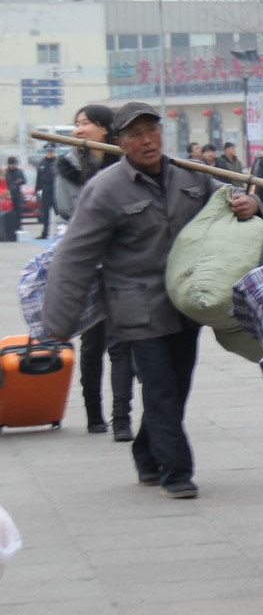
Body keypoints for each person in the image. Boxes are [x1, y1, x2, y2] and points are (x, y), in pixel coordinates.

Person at [43, 102, 262, 499]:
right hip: (135, 309)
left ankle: (146, 453)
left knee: (175, 388)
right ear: (121, 142)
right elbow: (74, 256)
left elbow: (228, 203)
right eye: (137, 135)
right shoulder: (106, 189)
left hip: (184, 305)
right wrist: (57, 325)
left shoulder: (190, 177)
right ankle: (176, 471)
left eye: (152, 131)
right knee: (160, 389)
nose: (147, 141)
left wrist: (249, 205)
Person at [61, 106, 138, 440]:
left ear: (106, 129)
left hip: (123, 261)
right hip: (88, 263)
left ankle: (121, 417)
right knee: (92, 344)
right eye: (77, 124)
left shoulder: (125, 162)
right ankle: (94, 414)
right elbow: (67, 208)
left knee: (120, 344)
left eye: (86, 123)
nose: (80, 129)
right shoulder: (67, 163)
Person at [35, 146, 56, 239]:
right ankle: (45, 233)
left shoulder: (57, 162)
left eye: (51, 151)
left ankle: (61, 232)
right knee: (45, 214)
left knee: (59, 214)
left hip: (55, 191)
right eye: (48, 152)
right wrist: (37, 191)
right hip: (45, 192)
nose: (50, 153)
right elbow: (38, 179)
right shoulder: (42, 163)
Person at [6, 157, 27, 233]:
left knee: (18, 212)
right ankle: (10, 227)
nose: (13, 166)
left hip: (17, 195)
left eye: (14, 164)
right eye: (12, 164)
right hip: (8, 196)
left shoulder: (19, 171)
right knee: (9, 212)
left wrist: (19, 181)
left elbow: (24, 180)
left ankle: (18, 227)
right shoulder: (6, 172)